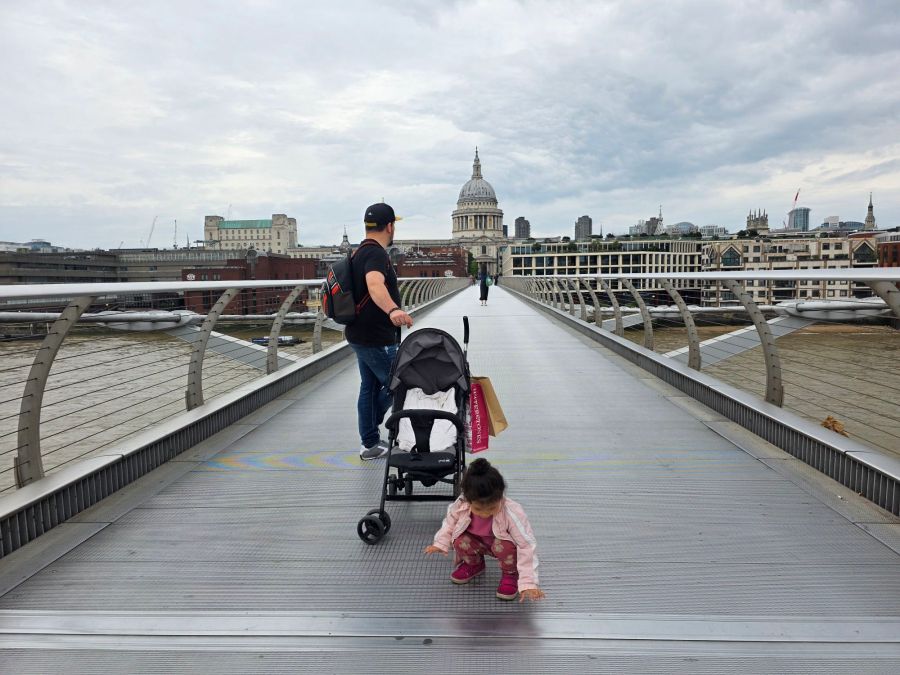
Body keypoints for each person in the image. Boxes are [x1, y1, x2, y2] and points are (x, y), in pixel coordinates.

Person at [346, 202, 413, 460]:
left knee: (370, 387)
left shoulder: (358, 253)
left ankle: (370, 443)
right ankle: (372, 435)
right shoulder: (376, 254)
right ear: (389, 226)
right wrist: (393, 310)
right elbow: (374, 284)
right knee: (399, 384)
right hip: (375, 336)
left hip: (359, 334)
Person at [424, 458, 545, 603]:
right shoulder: (461, 505)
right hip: (476, 543)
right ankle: (474, 564)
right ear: (468, 500)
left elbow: (526, 545)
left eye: (492, 508)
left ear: (501, 497)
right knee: (459, 539)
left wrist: (528, 582)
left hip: (502, 547)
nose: (485, 513)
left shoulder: (512, 512)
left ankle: (510, 574)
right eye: (478, 509)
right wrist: (441, 543)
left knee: (504, 546)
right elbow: (449, 524)